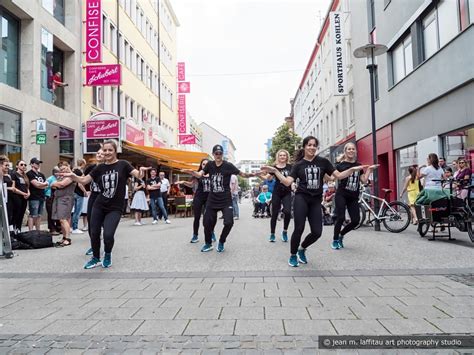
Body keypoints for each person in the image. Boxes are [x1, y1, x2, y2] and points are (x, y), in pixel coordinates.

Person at [262, 136, 367, 267]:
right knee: (299, 228)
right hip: (301, 198)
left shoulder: (323, 162)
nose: (312, 147)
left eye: (314, 145)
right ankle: (293, 255)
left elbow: (338, 176)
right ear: (304, 147)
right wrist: (276, 171)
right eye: (309, 145)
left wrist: (352, 170)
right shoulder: (298, 165)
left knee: (317, 232)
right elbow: (288, 182)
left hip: (316, 201)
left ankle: (302, 249)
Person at [62, 140, 150, 269]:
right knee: (94, 232)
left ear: (115, 151)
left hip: (115, 207)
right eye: (105, 150)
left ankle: (107, 254)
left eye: (110, 150)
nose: (107, 152)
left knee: (108, 235)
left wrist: (142, 171)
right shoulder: (99, 168)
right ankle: (96, 258)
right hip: (99, 204)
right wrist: (73, 176)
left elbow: (138, 175)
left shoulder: (123, 164)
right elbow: (84, 180)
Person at [183, 144, 258, 253]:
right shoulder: (209, 165)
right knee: (206, 223)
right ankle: (208, 243)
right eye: (216, 153)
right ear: (213, 154)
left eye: (220, 153)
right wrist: (191, 172)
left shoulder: (228, 165)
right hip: (212, 199)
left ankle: (222, 241)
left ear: (222, 154)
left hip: (225, 199)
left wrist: (254, 174)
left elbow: (243, 174)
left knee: (229, 222)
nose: (218, 155)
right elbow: (200, 174)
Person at [331, 143, 376, 250]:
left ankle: (341, 234)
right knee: (340, 217)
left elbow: (364, 180)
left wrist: (369, 170)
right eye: (349, 149)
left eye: (353, 149)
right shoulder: (340, 165)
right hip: (341, 194)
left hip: (353, 196)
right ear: (345, 151)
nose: (351, 150)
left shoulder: (359, 165)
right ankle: (335, 240)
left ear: (355, 151)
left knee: (356, 220)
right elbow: (335, 177)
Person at [177, 159, 213, 243]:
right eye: (203, 164)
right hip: (199, 197)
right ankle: (195, 235)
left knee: (208, 218)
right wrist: (183, 182)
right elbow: (191, 185)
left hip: (209, 198)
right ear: (201, 165)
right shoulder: (198, 174)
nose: (205, 165)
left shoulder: (213, 174)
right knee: (197, 217)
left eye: (206, 164)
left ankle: (211, 233)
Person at [264, 149, 293, 242]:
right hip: (277, 192)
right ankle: (272, 234)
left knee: (287, 212)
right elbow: (267, 178)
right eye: (280, 155)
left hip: (287, 192)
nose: (282, 157)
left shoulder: (290, 167)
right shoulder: (274, 167)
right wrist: (262, 173)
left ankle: (285, 231)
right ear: (278, 157)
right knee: (274, 213)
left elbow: (293, 178)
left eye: (284, 155)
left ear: (286, 157)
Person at [83, 148, 104, 256]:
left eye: (102, 153)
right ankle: (94, 245)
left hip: (105, 195)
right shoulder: (91, 168)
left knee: (104, 222)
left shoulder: (108, 167)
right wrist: (87, 190)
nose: (99, 155)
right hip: (94, 195)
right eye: (98, 153)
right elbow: (83, 179)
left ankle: (106, 243)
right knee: (91, 222)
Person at [51, 163, 76, 247]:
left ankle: (68, 238)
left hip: (66, 199)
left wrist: (54, 183)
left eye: (64, 168)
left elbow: (61, 184)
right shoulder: (62, 177)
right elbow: (55, 186)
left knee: (63, 219)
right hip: (59, 198)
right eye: (61, 169)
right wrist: (55, 184)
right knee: (61, 219)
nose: (63, 170)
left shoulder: (71, 176)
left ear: (68, 167)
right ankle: (64, 237)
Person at [26, 158, 48, 231]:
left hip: (41, 196)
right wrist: (43, 185)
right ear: (32, 164)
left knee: (39, 215)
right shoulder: (29, 173)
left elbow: (46, 185)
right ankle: (31, 231)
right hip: (34, 197)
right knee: (32, 215)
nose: (38, 165)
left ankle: (38, 231)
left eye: (39, 163)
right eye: (36, 163)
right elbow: (36, 184)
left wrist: (42, 185)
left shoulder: (41, 174)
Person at [11, 160, 30, 233]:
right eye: (21, 164)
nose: (24, 166)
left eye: (25, 165)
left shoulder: (25, 176)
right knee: (16, 214)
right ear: (17, 166)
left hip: (24, 198)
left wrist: (28, 193)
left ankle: (18, 230)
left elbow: (27, 187)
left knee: (22, 214)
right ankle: (13, 232)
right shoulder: (14, 174)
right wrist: (23, 193)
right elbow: (13, 188)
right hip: (17, 197)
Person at [71, 159, 87, 234]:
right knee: (78, 211)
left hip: (73, 192)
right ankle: (75, 227)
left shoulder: (74, 171)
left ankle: (72, 227)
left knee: (74, 211)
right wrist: (85, 192)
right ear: (83, 164)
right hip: (79, 193)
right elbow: (80, 184)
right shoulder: (79, 172)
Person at [45, 167, 62, 235]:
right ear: (55, 173)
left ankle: (58, 227)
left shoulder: (58, 178)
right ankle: (52, 229)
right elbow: (48, 187)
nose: (60, 173)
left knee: (57, 213)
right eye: (59, 172)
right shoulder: (50, 179)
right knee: (51, 213)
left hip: (56, 197)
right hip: (50, 197)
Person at [1, 156, 14, 229]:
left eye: (8, 165)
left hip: (10, 198)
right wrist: (9, 188)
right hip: (3, 198)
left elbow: (12, 186)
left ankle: (10, 232)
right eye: (6, 165)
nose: (7, 167)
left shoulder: (8, 175)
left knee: (9, 214)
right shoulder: (1, 175)